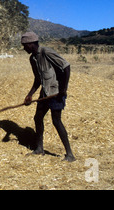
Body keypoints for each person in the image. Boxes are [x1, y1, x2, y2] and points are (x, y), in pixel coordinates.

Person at [21, 32, 76, 162]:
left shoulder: (46, 52)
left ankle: (70, 154)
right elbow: (38, 79)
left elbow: (66, 66)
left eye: (25, 46)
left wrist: (64, 88)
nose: (24, 49)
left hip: (56, 92)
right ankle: (40, 149)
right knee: (37, 117)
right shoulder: (32, 59)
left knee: (56, 121)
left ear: (31, 44)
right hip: (45, 93)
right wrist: (30, 95)